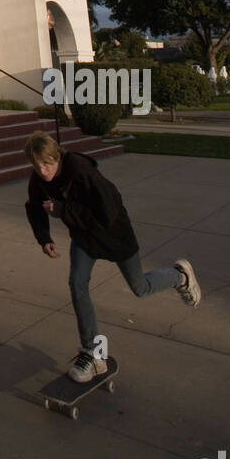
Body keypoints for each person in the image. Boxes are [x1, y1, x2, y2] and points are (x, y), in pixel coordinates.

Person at [24, 131, 201, 382]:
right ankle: (93, 354)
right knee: (77, 283)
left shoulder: (82, 171)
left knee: (140, 287)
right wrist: (45, 238)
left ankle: (179, 276)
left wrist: (63, 210)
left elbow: (107, 212)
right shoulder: (39, 179)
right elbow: (34, 205)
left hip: (114, 235)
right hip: (84, 239)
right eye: (38, 166)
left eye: (47, 164)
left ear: (57, 156)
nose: (43, 171)